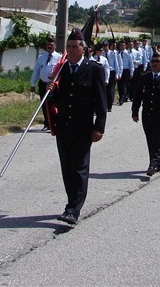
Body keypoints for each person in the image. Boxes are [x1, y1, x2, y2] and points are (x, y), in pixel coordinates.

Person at [47, 29, 107, 225]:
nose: (71, 50)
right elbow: (56, 100)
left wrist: (99, 127)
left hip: (83, 128)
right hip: (63, 126)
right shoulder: (61, 70)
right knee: (67, 168)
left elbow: (101, 101)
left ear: (83, 49)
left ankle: (73, 209)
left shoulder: (94, 69)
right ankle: (71, 201)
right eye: (69, 47)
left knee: (79, 167)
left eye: (75, 47)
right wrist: (50, 90)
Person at [30, 36, 62, 129]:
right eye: (48, 44)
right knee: (44, 104)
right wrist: (33, 84)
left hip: (53, 85)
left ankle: (54, 122)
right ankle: (47, 123)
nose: (49, 46)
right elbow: (36, 71)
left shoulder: (59, 57)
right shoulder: (41, 57)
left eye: (51, 44)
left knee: (52, 104)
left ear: (55, 46)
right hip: (43, 83)